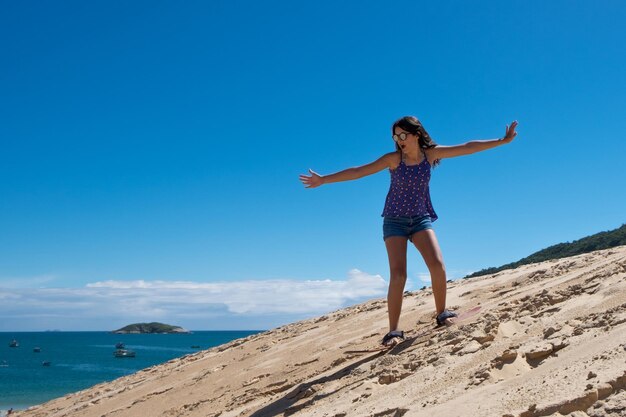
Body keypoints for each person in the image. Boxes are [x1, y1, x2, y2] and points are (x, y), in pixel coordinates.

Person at [300, 116, 518, 347]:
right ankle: (394, 332)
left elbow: (467, 147)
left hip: (420, 219)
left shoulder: (430, 155)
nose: (399, 140)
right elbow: (359, 171)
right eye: (396, 136)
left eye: (403, 135)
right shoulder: (394, 159)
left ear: (416, 134)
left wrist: (502, 141)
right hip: (394, 222)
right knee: (399, 275)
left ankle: (442, 313)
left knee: (437, 264)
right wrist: (323, 180)